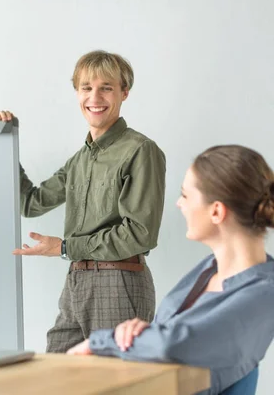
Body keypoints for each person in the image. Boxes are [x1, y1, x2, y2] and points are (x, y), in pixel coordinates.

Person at [0, 50, 166, 353]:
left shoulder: (140, 150)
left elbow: (140, 232)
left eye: (106, 87)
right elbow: (30, 203)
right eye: (86, 87)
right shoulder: (80, 160)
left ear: (124, 92)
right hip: (76, 280)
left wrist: (64, 247)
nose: (94, 97)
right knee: (58, 374)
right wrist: (6, 140)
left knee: (114, 383)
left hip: (119, 280)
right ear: (77, 93)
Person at [67, 145, 274, 395]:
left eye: (185, 195)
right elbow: (163, 336)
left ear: (216, 211)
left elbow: (175, 343)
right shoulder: (208, 270)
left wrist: (102, 342)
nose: (179, 204)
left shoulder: (263, 293)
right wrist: (134, 333)